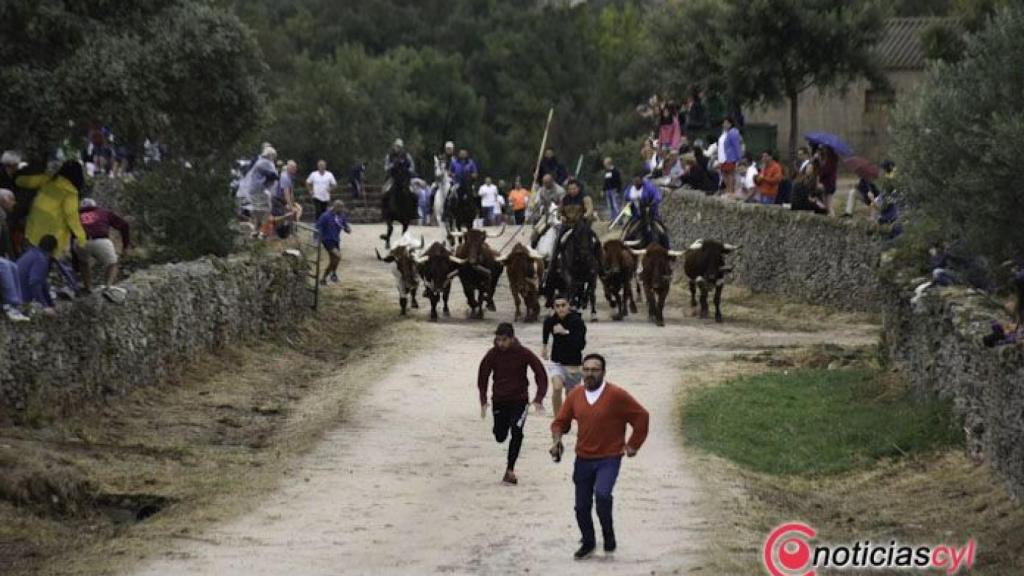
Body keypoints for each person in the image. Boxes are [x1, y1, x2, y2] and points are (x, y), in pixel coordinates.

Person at [550, 353, 649, 559]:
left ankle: (608, 534)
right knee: (581, 506)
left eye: (595, 370)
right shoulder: (575, 395)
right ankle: (588, 541)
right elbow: (560, 422)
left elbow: (641, 416)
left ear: (603, 372)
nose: (589, 374)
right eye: (586, 370)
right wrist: (557, 441)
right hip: (583, 458)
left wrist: (633, 445)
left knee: (603, 496)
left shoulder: (616, 395)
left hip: (609, 457)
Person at [477, 322, 548, 485]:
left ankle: (510, 470)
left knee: (517, 430)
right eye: (498, 340)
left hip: (520, 400)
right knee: (500, 436)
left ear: (512, 338)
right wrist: (483, 400)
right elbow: (483, 377)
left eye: (503, 340)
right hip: (499, 400)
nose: (500, 343)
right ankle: (501, 430)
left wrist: (538, 398)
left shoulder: (523, 353)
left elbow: (540, 373)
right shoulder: (492, 354)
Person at [542, 294, 587, 415]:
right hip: (557, 362)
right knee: (556, 388)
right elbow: (546, 327)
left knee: (571, 395)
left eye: (563, 305)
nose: (560, 308)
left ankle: (568, 416)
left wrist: (565, 332)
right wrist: (544, 346)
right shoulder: (551, 320)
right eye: (557, 306)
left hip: (574, 364)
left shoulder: (577, 322)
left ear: (569, 306)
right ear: (554, 308)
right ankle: (558, 420)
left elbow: (581, 344)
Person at [76, 198, 130, 291]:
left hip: (81, 241)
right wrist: (125, 246)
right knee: (113, 263)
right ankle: (107, 286)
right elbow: (124, 225)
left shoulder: (76, 215)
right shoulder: (103, 212)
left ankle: (88, 287)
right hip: (100, 240)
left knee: (84, 263)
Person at [236, 147, 279, 236]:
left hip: (255, 189)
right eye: (273, 156)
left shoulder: (260, 161)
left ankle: (257, 229)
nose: (274, 158)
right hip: (258, 189)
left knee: (259, 209)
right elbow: (273, 175)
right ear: (270, 155)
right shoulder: (264, 163)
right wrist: (274, 178)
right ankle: (260, 230)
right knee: (266, 208)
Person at [17, 234, 59, 316]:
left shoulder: (32, 253)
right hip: (21, 299)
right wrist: (44, 306)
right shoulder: (41, 260)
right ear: (53, 250)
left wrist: (50, 304)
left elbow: (43, 284)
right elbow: (34, 283)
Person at [315, 200, 351, 285]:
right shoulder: (325, 216)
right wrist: (316, 239)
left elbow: (346, 226)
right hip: (327, 240)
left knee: (334, 260)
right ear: (336, 207)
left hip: (336, 240)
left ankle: (326, 277)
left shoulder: (341, 216)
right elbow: (318, 227)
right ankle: (331, 275)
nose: (342, 210)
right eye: (341, 208)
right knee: (338, 256)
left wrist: (348, 229)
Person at [717, 117, 742, 197]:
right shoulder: (724, 133)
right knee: (724, 174)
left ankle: (730, 191)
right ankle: (728, 189)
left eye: (726, 123)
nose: (724, 125)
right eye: (724, 123)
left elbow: (736, 146)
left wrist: (738, 157)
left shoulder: (733, 132)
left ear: (730, 124)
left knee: (730, 174)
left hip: (730, 157)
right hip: (722, 157)